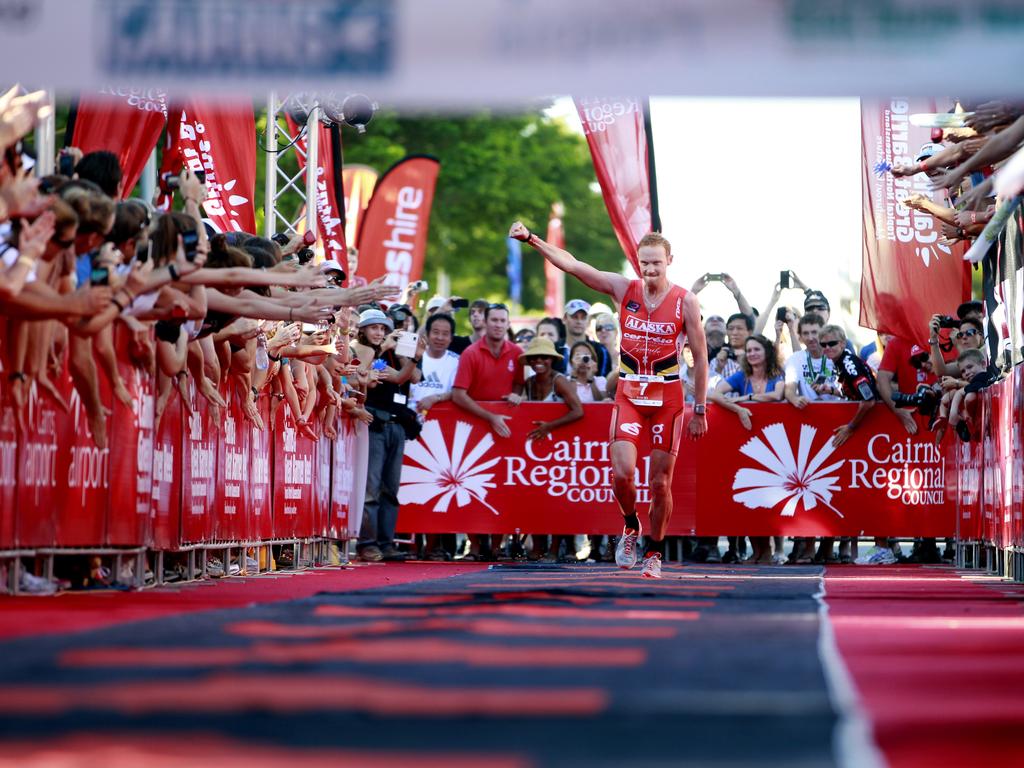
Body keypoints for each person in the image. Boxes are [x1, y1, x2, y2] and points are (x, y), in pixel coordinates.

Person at [510, 221, 708, 580]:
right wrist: (533, 240)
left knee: (661, 483)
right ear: (637, 262)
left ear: (669, 261)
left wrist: (701, 407)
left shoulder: (685, 301)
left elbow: (701, 355)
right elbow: (573, 265)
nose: (650, 270)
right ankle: (630, 526)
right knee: (622, 474)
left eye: (656, 264)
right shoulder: (623, 289)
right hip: (630, 393)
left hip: (668, 397)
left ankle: (655, 551)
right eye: (644, 263)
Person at [450, 302, 525, 560]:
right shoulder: (471, 353)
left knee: (502, 485)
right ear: (485, 320)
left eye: (503, 320)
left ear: (507, 324)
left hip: (505, 430)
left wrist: (517, 395)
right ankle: (474, 544)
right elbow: (458, 394)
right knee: (472, 484)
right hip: (474, 429)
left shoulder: (517, 353)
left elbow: (523, 388)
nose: (498, 324)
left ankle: (496, 545)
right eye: (494, 320)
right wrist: (489, 416)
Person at [353, 308, 419, 563]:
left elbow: (411, 376)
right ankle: (368, 544)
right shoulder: (363, 350)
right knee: (372, 488)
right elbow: (371, 371)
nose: (380, 333)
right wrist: (385, 349)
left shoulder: (393, 352)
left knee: (390, 489)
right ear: (364, 330)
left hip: (396, 425)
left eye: (384, 329)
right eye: (375, 328)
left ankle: (386, 542)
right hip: (375, 425)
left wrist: (410, 354)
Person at [520, 336, 585, 562]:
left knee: (556, 499)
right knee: (534, 499)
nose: (539, 361)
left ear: (552, 360)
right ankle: (537, 548)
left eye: (544, 357)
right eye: (535, 357)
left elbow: (578, 410)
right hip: (535, 450)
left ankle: (555, 550)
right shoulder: (527, 384)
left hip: (561, 449)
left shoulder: (560, 381)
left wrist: (549, 426)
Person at [563, 298, 612, 377]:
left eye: (583, 317)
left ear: (588, 321)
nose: (579, 321)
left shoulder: (600, 350)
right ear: (564, 318)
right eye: (574, 317)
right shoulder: (555, 349)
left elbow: (605, 384)